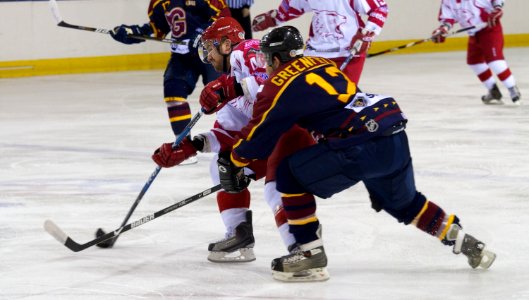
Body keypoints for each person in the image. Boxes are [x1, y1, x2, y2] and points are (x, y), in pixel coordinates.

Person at [216, 26, 497, 282]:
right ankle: (462, 239)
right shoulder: (323, 63)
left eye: (267, 59)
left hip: (360, 144)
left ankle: (310, 256)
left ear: (276, 59)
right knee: (404, 203)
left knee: (289, 175)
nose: (266, 65)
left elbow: (259, 135)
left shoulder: (278, 85)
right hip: (391, 130)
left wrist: (235, 160)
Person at [151, 17, 315, 262]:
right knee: (222, 167)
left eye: (210, 48)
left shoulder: (247, 51)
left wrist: (232, 87)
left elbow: (276, 85)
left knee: (277, 188)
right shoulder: (228, 77)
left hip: (295, 131)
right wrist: (190, 146)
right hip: (270, 138)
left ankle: (304, 252)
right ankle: (240, 235)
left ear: (226, 45)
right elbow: (228, 133)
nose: (208, 56)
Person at [110, 0, 230, 139]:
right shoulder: (159, 3)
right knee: (173, 92)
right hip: (182, 57)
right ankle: (184, 145)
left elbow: (224, 19)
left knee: (224, 96)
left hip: (211, 53)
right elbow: (157, 29)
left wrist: (202, 35)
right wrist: (132, 33)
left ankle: (233, 141)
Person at [251, 0, 388, 84]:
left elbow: (380, 8)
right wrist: (273, 18)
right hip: (315, 53)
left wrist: (367, 33)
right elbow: (292, 7)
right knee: (309, 97)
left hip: (348, 53)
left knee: (342, 99)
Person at [431, 0, 521, 104]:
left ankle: (512, 89)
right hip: (473, 33)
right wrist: (441, 31)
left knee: (494, 60)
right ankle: (493, 91)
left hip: (490, 29)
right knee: (474, 61)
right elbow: (447, 19)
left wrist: (498, 8)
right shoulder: (448, 1)